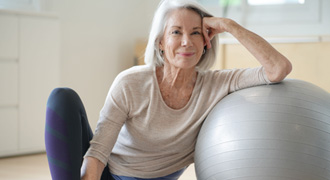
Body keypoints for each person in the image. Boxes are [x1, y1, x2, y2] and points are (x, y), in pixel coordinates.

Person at [45, 0, 292, 179]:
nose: (186, 41)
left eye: (196, 33)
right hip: (110, 174)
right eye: (176, 32)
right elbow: (98, 152)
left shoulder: (218, 84)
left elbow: (278, 68)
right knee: (62, 98)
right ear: (161, 43)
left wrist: (229, 25)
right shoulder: (131, 83)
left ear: (206, 42)